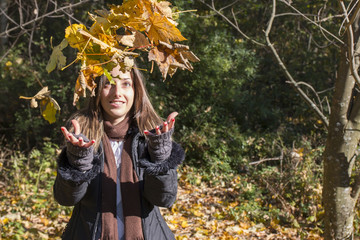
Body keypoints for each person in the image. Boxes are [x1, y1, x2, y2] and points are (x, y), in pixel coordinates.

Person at [53, 63, 185, 240]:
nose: (117, 93)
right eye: (108, 84)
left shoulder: (152, 135)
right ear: (97, 90)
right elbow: (66, 199)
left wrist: (160, 159)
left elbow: (164, 199)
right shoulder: (83, 136)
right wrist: (79, 164)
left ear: (136, 90)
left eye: (126, 84)